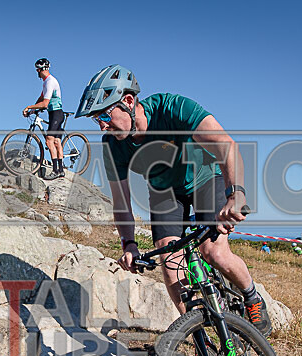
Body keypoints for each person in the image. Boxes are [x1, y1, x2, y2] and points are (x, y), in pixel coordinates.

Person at [75, 64, 271, 336]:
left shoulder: (171, 107)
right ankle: (197, 333)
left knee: (214, 252)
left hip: (204, 177)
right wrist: (129, 244)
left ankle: (251, 296)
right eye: (96, 119)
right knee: (169, 262)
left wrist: (235, 194)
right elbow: (121, 201)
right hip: (164, 191)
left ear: (128, 101)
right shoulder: (112, 144)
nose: (102, 125)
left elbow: (226, 145)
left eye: (104, 115)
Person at [22, 58, 65, 180]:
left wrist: (29, 107)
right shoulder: (46, 82)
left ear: (40, 70)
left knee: (49, 141)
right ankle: (61, 170)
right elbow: (41, 98)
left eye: (37, 70)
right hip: (54, 113)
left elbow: (45, 104)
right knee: (56, 142)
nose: (37, 73)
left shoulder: (50, 81)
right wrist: (32, 110)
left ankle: (56, 170)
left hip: (56, 113)